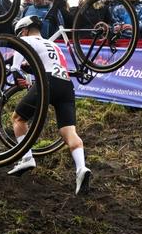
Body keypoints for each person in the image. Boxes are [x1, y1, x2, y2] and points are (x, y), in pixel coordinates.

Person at [6, 13, 93, 193]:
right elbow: (48, 63)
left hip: (47, 82)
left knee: (18, 118)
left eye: (19, 34)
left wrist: (15, 71)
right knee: (68, 132)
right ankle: (81, 168)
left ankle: (26, 158)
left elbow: (17, 61)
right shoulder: (53, 44)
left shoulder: (26, 40)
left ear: (24, 30)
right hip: (66, 84)